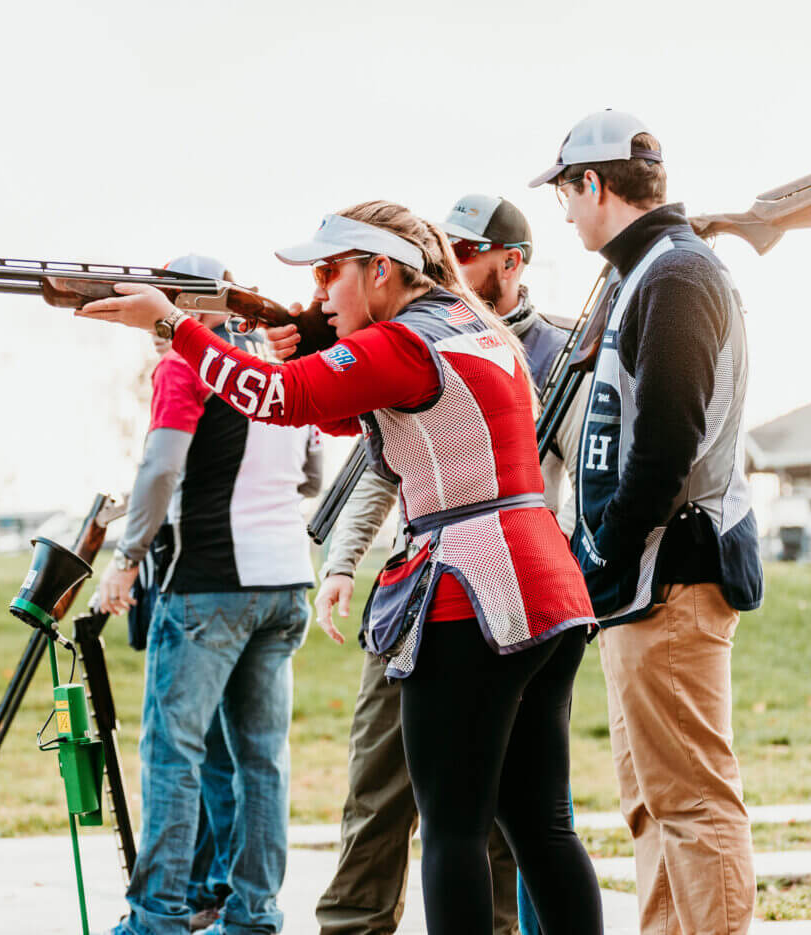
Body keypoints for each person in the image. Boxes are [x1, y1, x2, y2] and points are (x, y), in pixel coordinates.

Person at [78, 202, 604, 935]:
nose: (321, 291)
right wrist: (303, 346)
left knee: (451, 827)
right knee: (541, 826)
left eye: (331, 272)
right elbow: (341, 408)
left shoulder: (404, 342)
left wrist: (173, 326)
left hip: (468, 593)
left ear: (382, 270)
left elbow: (283, 398)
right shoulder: (473, 325)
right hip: (544, 588)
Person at [301, 194, 587, 935]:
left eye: (465, 253)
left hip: (477, 592)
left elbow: (586, 468)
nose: (450, 266)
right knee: (440, 800)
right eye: (445, 249)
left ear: (510, 261)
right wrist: (344, 560)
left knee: (466, 824)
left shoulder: (546, 345)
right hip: (474, 586)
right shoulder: (442, 334)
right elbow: (379, 462)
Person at [530, 110, 764, 935]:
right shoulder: (650, 271)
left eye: (565, 190)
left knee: (693, 803)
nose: (562, 211)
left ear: (594, 184)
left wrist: (606, 555)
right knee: (651, 804)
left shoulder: (676, 274)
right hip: (637, 583)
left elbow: (666, 443)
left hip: (670, 575)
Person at [93, 254, 322, 935]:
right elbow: (310, 472)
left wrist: (126, 558)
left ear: (183, 309)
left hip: (210, 585)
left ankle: (156, 917)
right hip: (286, 580)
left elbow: (161, 466)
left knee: (172, 751)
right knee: (262, 759)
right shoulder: (283, 360)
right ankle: (253, 915)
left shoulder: (184, 364)